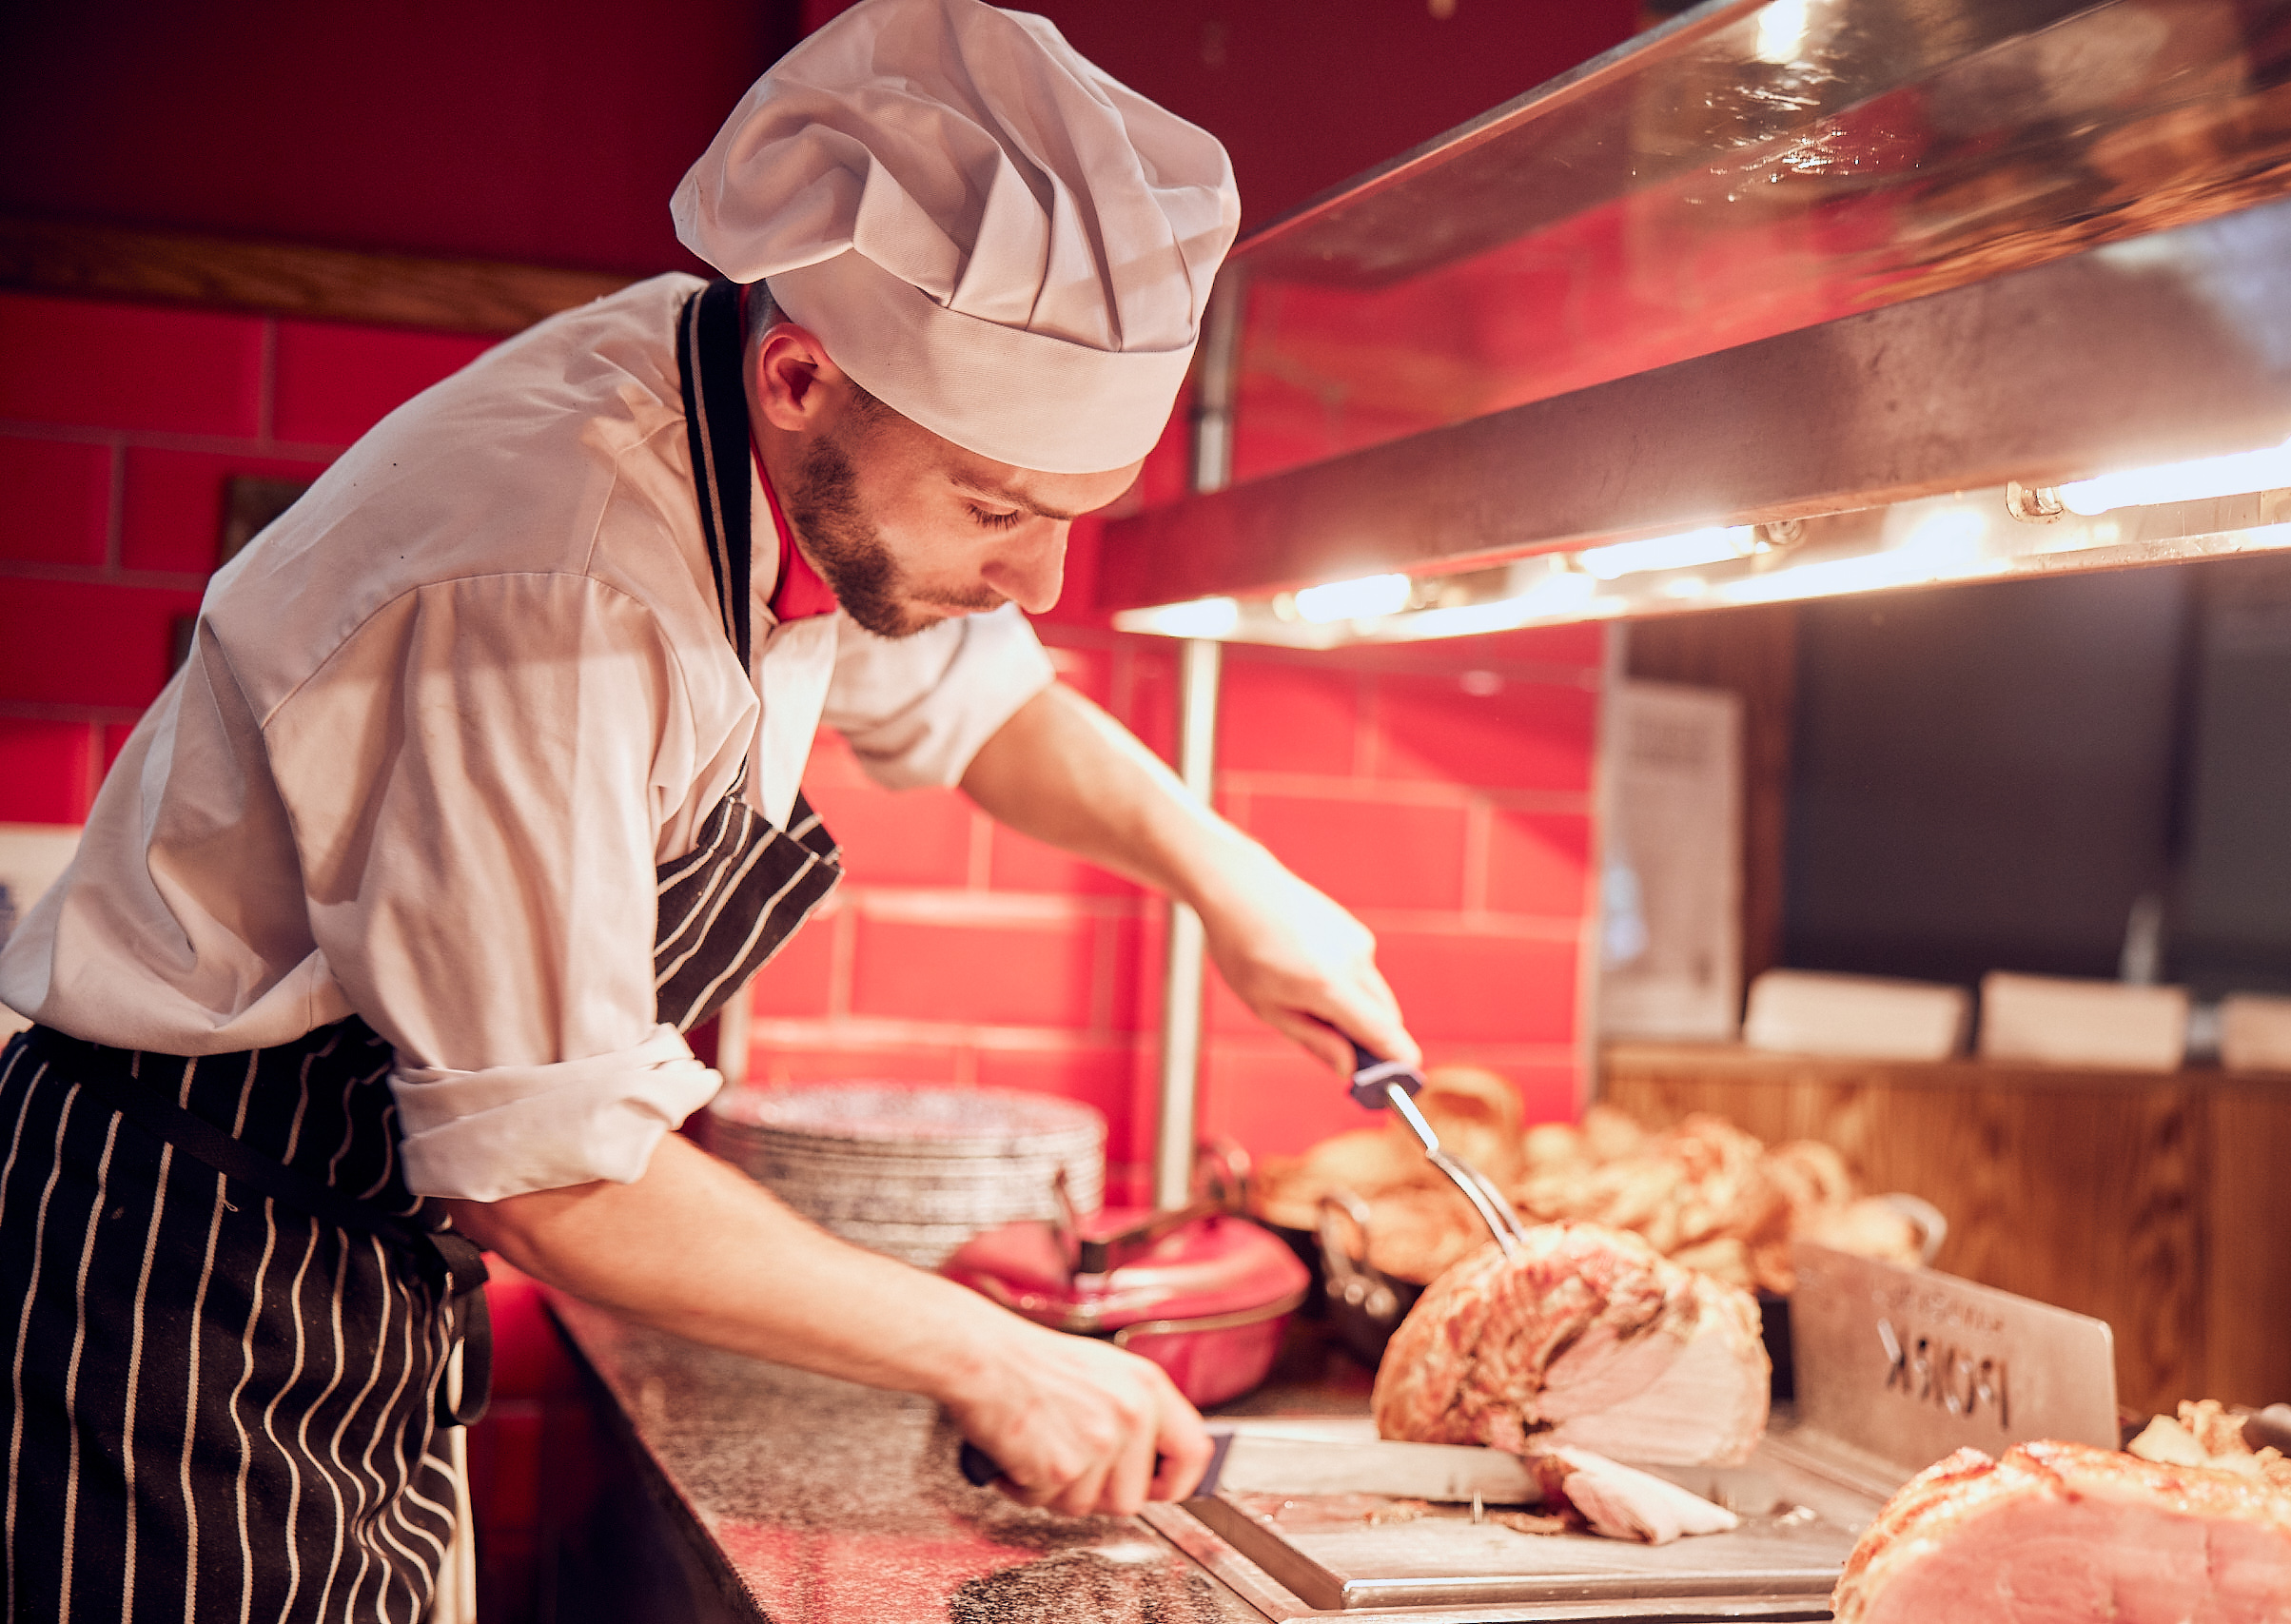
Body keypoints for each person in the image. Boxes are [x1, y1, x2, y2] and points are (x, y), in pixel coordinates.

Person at [0, 2, 1420, 1616]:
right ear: (803, 376)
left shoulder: (759, 434)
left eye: (1075, 518)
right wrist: (993, 1359)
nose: (1036, 580)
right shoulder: (555, 570)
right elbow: (546, 1171)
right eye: (1001, 510)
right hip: (179, 1293)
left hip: (350, 1255)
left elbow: (984, 705)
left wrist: (1238, 890)